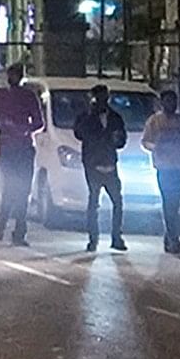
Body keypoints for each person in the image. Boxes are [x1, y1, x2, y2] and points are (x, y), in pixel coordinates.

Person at [139, 85, 180, 256]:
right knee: (168, 202)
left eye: (173, 101)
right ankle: (173, 238)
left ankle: (170, 236)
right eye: (167, 101)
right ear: (161, 103)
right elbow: (146, 142)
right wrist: (157, 145)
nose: (170, 104)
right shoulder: (154, 121)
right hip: (164, 167)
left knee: (175, 203)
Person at [72, 85, 132, 252]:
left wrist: (116, 138)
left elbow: (121, 141)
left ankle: (116, 236)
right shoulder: (85, 117)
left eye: (104, 97)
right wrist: (89, 114)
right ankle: (93, 238)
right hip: (92, 164)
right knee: (94, 201)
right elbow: (79, 133)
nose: (101, 101)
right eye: (98, 98)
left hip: (110, 163)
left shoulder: (115, 117)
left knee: (117, 202)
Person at [0, 68, 44, 244]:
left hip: (22, 147)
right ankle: (3, 224)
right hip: (9, 148)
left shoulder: (28, 97)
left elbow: (38, 122)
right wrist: (5, 125)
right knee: (10, 189)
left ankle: (18, 231)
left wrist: (23, 129)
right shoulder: (1, 95)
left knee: (22, 191)